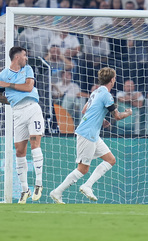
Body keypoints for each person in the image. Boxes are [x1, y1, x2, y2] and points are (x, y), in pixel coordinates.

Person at [50, 67, 132, 204]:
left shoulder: (95, 92)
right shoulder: (107, 95)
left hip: (92, 133)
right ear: (112, 80)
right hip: (87, 133)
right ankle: (57, 192)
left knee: (111, 160)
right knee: (83, 169)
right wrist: (128, 113)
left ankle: (87, 186)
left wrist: (102, 119)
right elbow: (117, 116)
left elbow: (84, 110)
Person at [0, 46, 45, 204]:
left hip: (32, 108)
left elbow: (29, 87)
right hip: (17, 112)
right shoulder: (2, 75)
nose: (26, 58)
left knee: (35, 144)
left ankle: (38, 184)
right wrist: (14, 100)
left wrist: (8, 86)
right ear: (16, 58)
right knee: (19, 151)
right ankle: (24, 189)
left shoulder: (27, 69)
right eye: (24, 56)